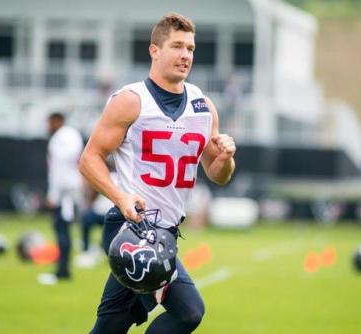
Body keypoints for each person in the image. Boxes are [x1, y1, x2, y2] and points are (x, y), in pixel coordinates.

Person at [79, 12, 236, 334]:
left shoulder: (202, 105)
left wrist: (226, 157)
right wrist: (121, 198)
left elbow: (218, 175)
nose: (185, 56)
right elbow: (90, 158)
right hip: (132, 227)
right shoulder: (131, 100)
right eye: (177, 46)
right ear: (154, 50)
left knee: (112, 323)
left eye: (190, 48)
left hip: (165, 232)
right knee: (188, 311)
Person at [38, 112, 84, 285]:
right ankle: (63, 268)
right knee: (65, 228)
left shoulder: (59, 138)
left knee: (61, 229)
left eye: (49, 122)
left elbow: (59, 168)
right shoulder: (73, 134)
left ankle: (62, 270)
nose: (47, 126)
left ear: (57, 121)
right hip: (72, 187)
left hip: (64, 191)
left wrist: (53, 195)